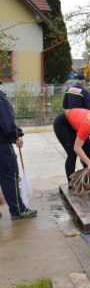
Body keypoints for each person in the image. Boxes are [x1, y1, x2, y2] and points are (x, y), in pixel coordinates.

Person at [0, 81, 37, 220]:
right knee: (10, 177)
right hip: (2, 146)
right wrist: (16, 135)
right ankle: (18, 210)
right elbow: (6, 121)